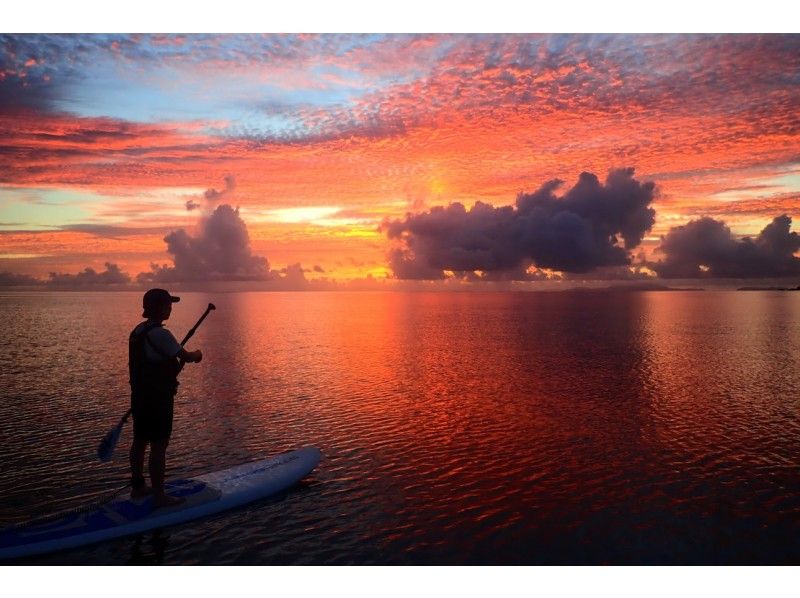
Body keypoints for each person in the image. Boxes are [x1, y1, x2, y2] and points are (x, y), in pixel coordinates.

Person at [128, 288, 202, 508]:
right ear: (160, 307)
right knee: (159, 445)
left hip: (140, 397)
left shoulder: (138, 331)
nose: (171, 308)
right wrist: (198, 354)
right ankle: (159, 496)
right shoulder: (160, 334)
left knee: (140, 441)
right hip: (158, 399)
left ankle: (138, 488)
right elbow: (186, 357)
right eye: (168, 304)